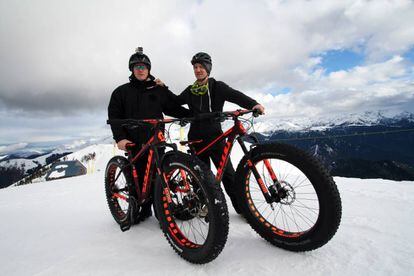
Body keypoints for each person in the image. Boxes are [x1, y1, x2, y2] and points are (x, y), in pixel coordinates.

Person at [177, 52, 265, 214]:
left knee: (228, 174)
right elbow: (174, 102)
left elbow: (236, 95)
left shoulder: (217, 87)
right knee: (200, 176)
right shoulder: (190, 91)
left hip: (216, 137)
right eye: (195, 67)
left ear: (208, 69)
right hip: (195, 138)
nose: (198, 70)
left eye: (201, 67)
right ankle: (202, 204)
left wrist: (254, 104)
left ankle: (242, 209)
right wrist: (163, 89)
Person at [108, 47, 190, 221]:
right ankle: (140, 210)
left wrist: (192, 116)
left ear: (149, 69)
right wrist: (120, 138)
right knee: (137, 178)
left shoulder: (157, 90)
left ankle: (162, 210)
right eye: (136, 67)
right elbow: (114, 117)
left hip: (156, 139)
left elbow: (173, 107)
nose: (140, 70)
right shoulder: (121, 92)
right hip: (133, 142)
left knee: (158, 175)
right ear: (132, 70)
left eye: (143, 67)